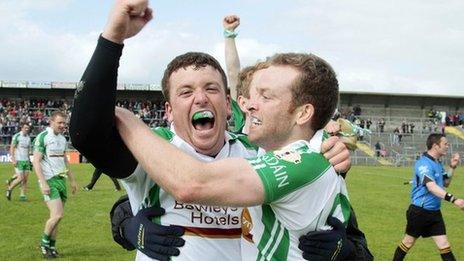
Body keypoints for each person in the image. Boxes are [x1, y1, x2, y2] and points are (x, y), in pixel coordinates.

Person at [70, 1, 352, 260]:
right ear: (169, 111)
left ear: (228, 106)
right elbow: (88, 134)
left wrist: (347, 246)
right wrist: (112, 38)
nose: (201, 98)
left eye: (211, 88)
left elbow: (193, 183)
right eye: (186, 91)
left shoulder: (261, 151)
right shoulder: (153, 147)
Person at [113, 51, 352, 260]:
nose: (248, 105)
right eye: (251, 96)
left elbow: (193, 183)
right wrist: (125, 222)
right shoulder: (271, 152)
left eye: (265, 97)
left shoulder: (302, 162)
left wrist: (125, 119)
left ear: (302, 114)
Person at [393, 133, 464, 261]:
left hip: (434, 213)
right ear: (435, 146)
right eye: (445, 144)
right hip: (420, 212)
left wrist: (452, 166)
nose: (448, 146)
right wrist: (454, 200)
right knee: (408, 243)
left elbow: (446, 183)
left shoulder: (437, 163)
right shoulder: (423, 164)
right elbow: (431, 187)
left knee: (444, 245)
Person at [33, 111, 78, 258]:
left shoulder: (63, 139)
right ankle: (44, 244)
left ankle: (51, 248)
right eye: (59, 122)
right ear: (51, 122)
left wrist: (72, 180)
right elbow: (36, 162)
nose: (62, 125)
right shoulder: (43, 137)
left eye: (64, 123)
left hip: (61, 180)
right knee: (57, 215)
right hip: (49, 181)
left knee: (57, 217)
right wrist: (44, 183)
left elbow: (64, 160)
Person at [6, 123, 32, 201]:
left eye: (28, 128)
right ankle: (9, 189)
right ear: (22, 128)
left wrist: (29, 160)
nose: (27, 129)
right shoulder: (17, 136)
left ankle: (22, 195)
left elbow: (27, 150)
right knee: (20, 178)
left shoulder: (28, 138)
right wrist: (13, 159)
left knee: (25, 179)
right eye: (25, 128)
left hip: (26, 161)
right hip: (19, 160)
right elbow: (12, 148)